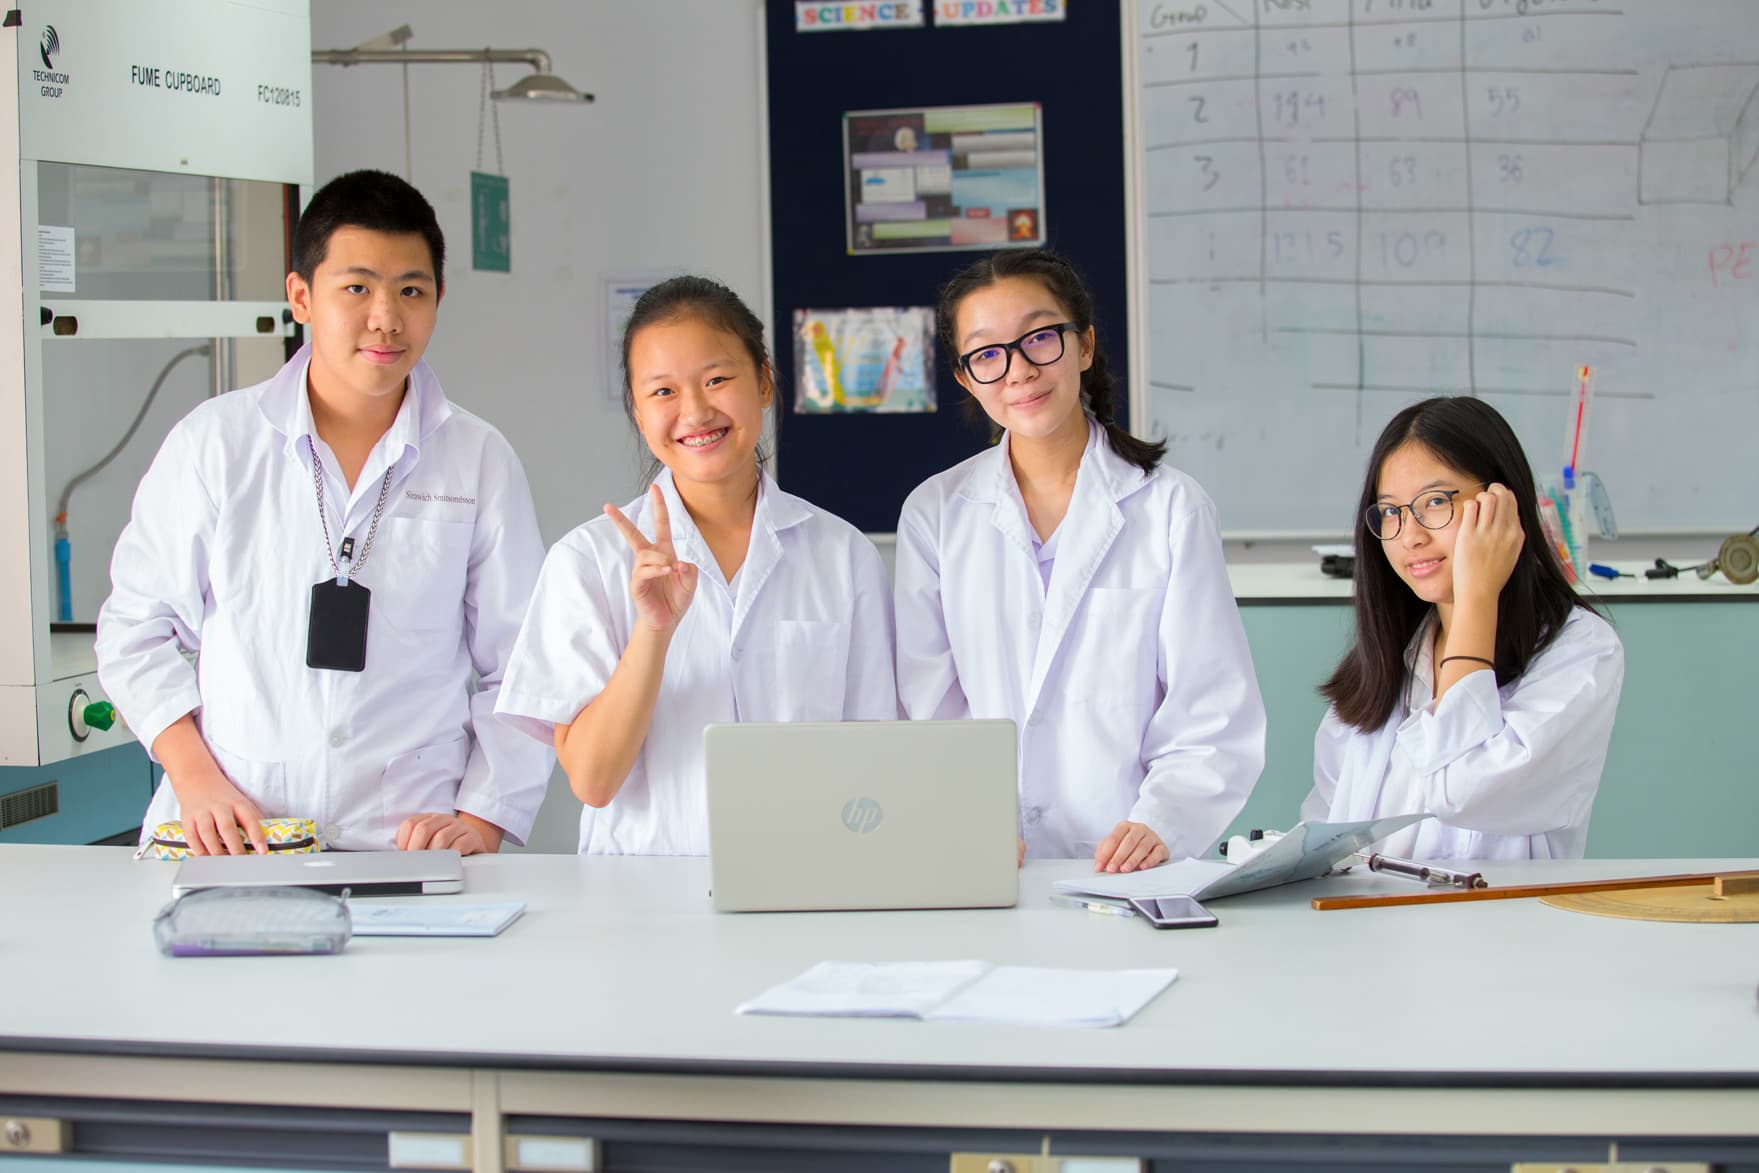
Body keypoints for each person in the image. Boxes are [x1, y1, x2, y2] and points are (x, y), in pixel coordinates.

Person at [97, 169, 551, 857]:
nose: (386, 318)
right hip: (233, 836)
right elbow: (134, 628)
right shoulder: (216, 443)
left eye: (411, 290)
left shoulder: (478, 459)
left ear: (438, 298)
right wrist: (194, 779)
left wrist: (482, 817)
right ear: (301, 296)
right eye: (357, 288)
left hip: (409, 846)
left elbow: (521, 665)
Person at [495, 276, 897, 855]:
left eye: (717, 379)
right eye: (662, 392)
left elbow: (875, 759)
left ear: (763, 381)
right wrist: (653, 633)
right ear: (636, 410)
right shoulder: (586, 563)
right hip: (643, 902)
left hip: (808, 887)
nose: (695, 411)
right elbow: (593, 780)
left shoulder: (841, 555)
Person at [894, 249, 1265, 872]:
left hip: (1132, 858)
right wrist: (969, 818)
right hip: (989, 855)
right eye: (987, 353)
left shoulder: (1171, 508)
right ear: (965, 378)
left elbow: (1212, 711)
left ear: (1084, 345)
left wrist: (1162, 821)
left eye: (1040, 338)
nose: (1018, 370)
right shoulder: (935, 514)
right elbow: (929, 707)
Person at [1301, 396, 1624, 859]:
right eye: (1390, 511)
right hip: (1366, 926)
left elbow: (1459, 791)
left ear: (1504, 504)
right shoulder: (1389, 659)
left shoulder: (1582, 650)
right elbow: (1324, 826)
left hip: (1500, 927)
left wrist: (1476, 596)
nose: (1410, 535)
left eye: (1435, 502)